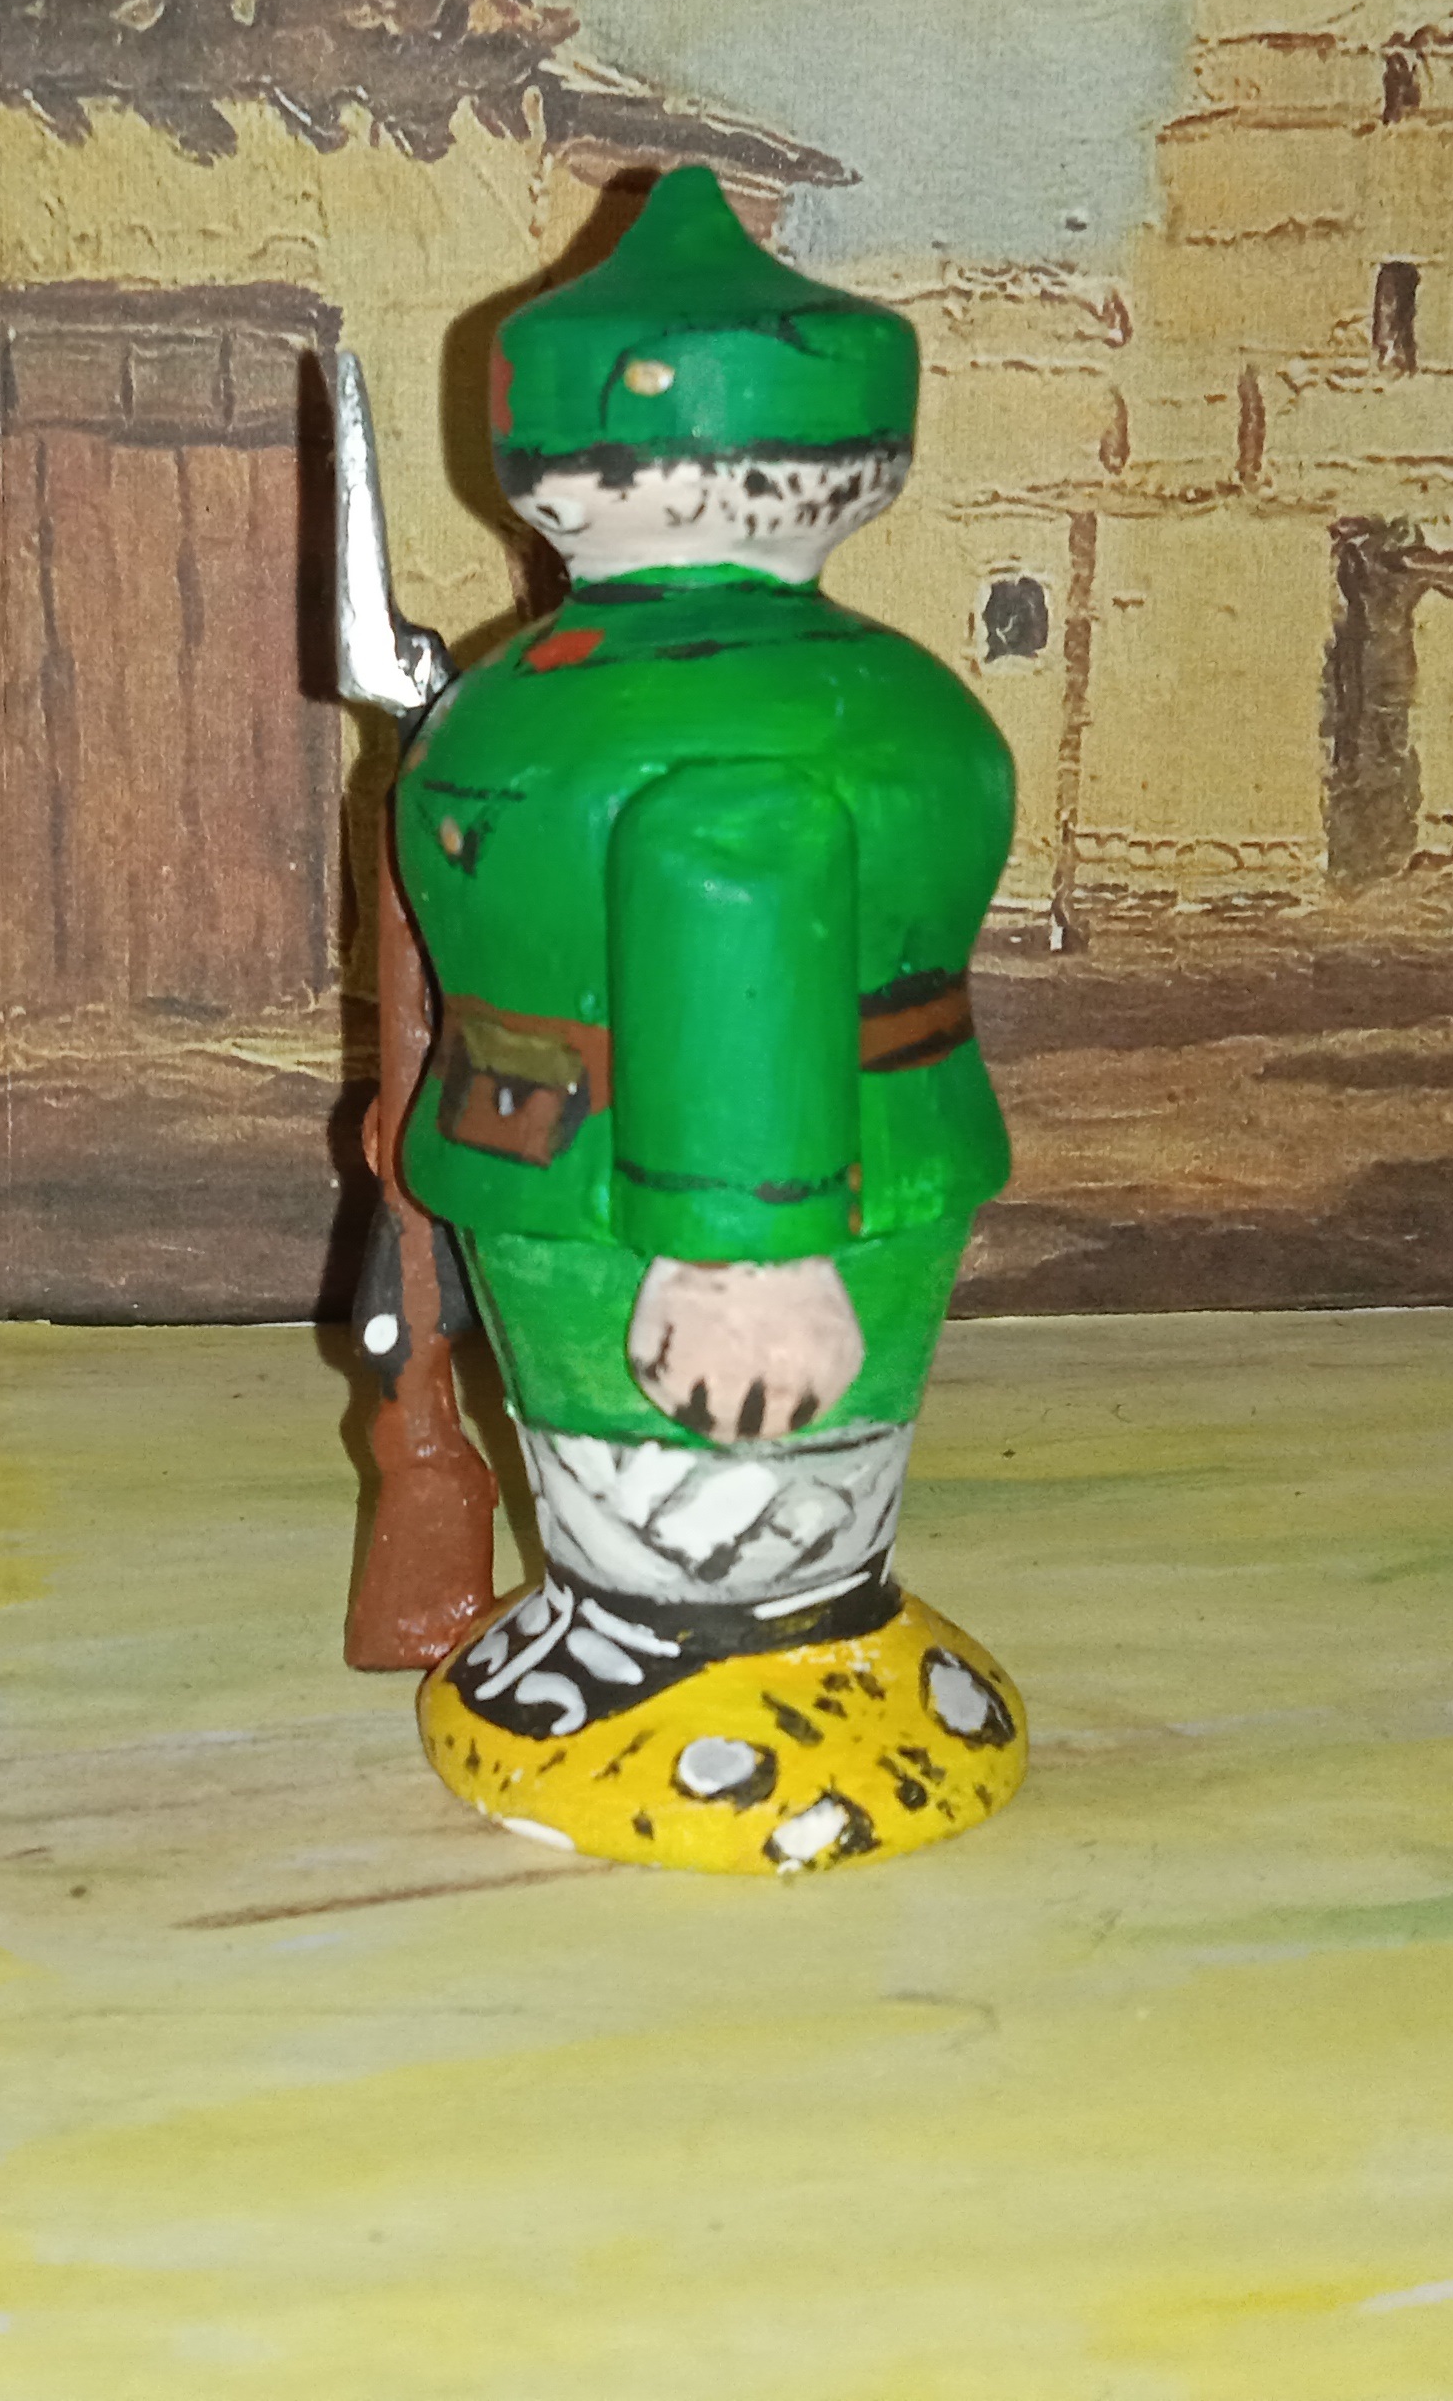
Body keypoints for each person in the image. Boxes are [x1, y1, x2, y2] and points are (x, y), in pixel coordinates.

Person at [394, 166, 1026, 1875]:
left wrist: (743, 1253)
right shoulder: (896, 710)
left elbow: (729, 893)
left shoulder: (568, 716)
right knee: (672, 1467)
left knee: (686, 1465)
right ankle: (726, 1640)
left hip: (661, 1197)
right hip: (795, 1158)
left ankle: (706, 1679)